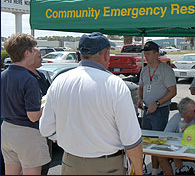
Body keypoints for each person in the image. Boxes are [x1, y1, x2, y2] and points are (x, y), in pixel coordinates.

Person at [39, 32, 143, 175]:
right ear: (106, 54)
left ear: (80, 54)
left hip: (70, 162)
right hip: (107, 165)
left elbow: (45, 129)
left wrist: (69, 139)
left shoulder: (59, 82)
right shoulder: (115, 84)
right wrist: (139, 171)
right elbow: (131, 140)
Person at [1, 33, 51, 175]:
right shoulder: (29, 80)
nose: (36, 51)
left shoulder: (3, 76)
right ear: (26, 53)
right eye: (33, 49)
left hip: (6, 130)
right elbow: (33, 116)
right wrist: (47, 104)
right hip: (27, 133)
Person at [137, 41, 177, 175]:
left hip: (160, 111)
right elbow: (141, 87)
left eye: (148, 54)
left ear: (156, 53)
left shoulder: (165, 70)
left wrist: (157, 103)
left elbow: (172, 91)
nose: (146, 56)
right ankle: (154, 170)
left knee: (157, 143)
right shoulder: (144, 69)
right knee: (147, 141)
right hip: (147, 110)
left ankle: (156, 170)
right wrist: (140, 99)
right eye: (145, 54)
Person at [158, 97, 195, 175]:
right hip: (178, 149)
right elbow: (165, 137)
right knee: (161, 157)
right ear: (186, 114)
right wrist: (175, 156)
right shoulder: (176, 118)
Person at [27, 46, 53, 175]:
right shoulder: (27, 78)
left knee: (46, 161)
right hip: (33, 127)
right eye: (39, 56)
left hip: (45, 126)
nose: (42, 58)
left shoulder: (41, 75)